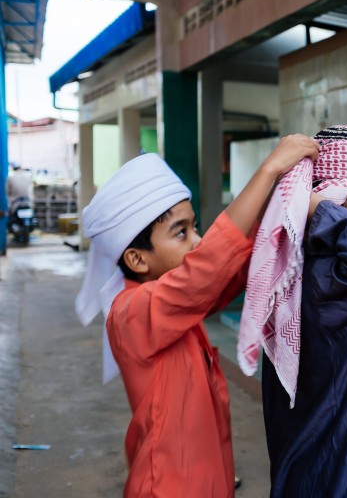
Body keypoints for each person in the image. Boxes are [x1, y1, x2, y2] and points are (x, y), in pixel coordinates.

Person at [74, 135, 319, 497]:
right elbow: (206, 269)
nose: (197, 240)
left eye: (194, 226)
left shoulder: (175, 304)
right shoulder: (132, 313)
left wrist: (285, 205)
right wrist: (268, 170)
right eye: (181, 233)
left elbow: (229, 273)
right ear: (137, 259)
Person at [238, 125, 347, 497]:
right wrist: (322, 210)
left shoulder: (291, 275)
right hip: (346, 471)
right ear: (345, 203)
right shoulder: (322, 279)